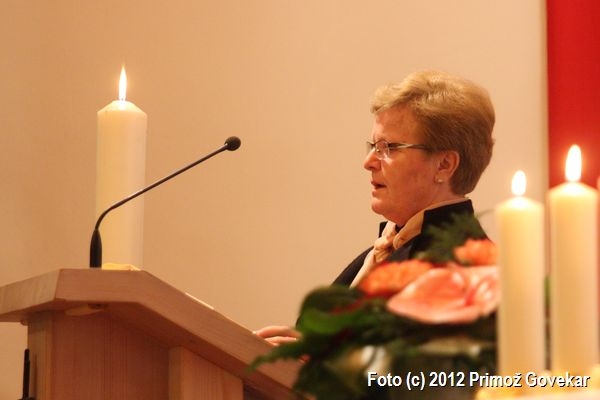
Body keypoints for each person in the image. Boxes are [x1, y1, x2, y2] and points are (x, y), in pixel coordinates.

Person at [255, 70, 495, 345]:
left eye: (388, 147)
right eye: (373, 146)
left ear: (444, 165)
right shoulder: (389, 247)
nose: (368, 162)